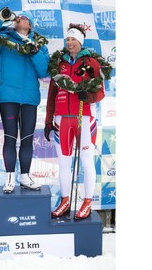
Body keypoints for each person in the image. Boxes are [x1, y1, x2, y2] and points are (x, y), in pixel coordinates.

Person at [44, 23, 112, 220]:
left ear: (80, 41)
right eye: (67, 39)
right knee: (64, 163)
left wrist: (87, 96)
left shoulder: (91, 62)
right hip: (62, 119)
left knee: (86, 161)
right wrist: (49, 120)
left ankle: (87, 202)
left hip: (84, 117)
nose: (69, 42)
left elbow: (100, 91)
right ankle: (65, 200)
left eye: (73, 39)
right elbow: (52, 93)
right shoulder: (60, 63)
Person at [0, 8, 50, 193]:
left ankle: (25, 176)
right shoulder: (4, 38)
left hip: (29, 96)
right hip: (8, 95)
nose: (21, 18)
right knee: (10, 137)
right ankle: (9, 177)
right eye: (19, 17)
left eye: (25, 17)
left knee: (27, 138)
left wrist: (34, 51)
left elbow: (44, 71)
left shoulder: (39, 43)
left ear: (31, 24)